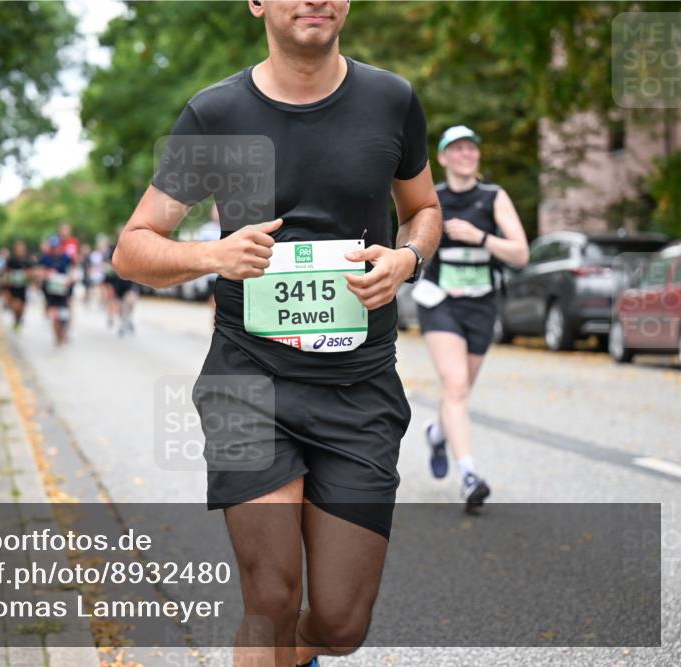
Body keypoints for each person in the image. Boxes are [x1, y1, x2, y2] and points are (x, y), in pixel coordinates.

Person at [112, 2, 441, 666]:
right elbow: (133, 248)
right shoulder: (217, 115)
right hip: (247, 382)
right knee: (270, 596)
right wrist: (212, 256)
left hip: (360, 388)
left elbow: (424, 210)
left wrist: (408, 259)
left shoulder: (390, 100)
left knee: (343, 623)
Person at [415, 125, 529, 508]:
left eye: (472, 149)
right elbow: (409, 239)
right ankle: (468, 474)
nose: (466, 154)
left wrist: (479, 237)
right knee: (456, 384)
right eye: (457, 149)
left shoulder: (493, 197)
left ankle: (437, 433)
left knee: (461, 390)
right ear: (443, 158)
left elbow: (521, 253)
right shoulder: (434, 199)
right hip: (439, 301)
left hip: (481, 305)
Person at [39, 235, 74, 346]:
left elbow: (73, 271)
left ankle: (64, 332)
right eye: (53, 247)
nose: (55, 249)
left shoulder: (66, 258)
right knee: (54, 316)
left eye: (57, 247)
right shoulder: (45, 258)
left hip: (64, 291)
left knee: (64, 315)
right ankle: (57, 337)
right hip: (51, 292)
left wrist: (70, 278)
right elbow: (39, 272)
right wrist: (46, 274)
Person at [4, 240, 34, 329]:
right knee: (15, 306)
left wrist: (27, 275)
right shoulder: (11, 260)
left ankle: (19, 320)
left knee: (21, 307)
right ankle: (16, 319)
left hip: (23, 287)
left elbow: (32, 273)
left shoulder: (27, 260)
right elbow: (7, 271)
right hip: (12, 287)